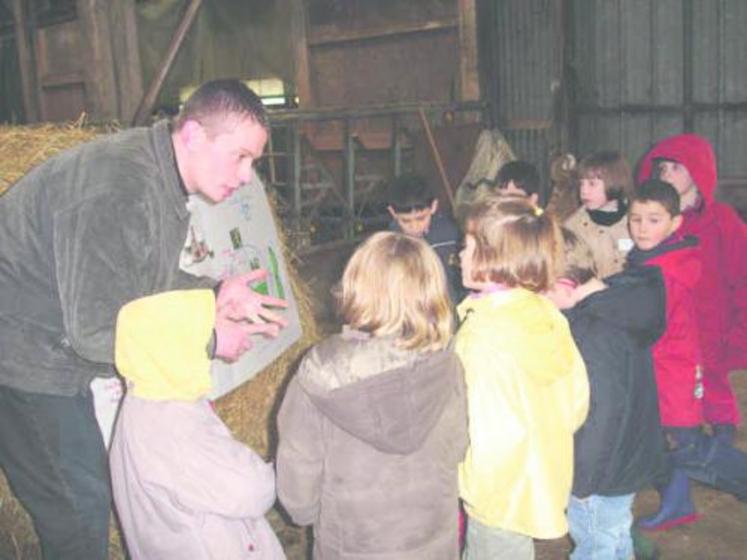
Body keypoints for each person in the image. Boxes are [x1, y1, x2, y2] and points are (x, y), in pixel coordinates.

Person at [0, 79, 288, 559]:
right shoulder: (120, 187)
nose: (246, 176)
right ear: (194, 134)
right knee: (78, 505)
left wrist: (214, 294)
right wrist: (210, 340)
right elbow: (96, 331)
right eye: (240, 157)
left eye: (253, 162)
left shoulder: (156, 175)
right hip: (24, 353)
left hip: (52, 342)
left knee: (85, 488)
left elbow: (141, 280)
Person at [276, 231, 467, 559]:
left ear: (356, 287)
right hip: (432, 539)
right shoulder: (446, 361)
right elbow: (459, 445)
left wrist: (303, 512)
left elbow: (299, 462)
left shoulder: (322, 370)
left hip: (353, 544)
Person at [456, 195, 589, 560]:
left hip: (497, 493)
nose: (460, 256)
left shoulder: (482, 334)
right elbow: (577, 402)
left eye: (468, 247)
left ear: (494, 257)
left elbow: (478, 426)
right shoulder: (546, 313)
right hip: (542, 476)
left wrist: (464, 479)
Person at [110, 289, 286, 559]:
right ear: (173, 351)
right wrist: (284, 467)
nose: (207, 344)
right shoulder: (171, 425)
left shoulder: (144, 396)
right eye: (199, 335)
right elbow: (249, 490)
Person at [627, 180, 747, 531]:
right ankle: (677, 503)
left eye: (653, 220)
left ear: (675, 223)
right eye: (636, 219)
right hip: (658, 372)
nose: (642, 228)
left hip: (673, 376)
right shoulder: (649, 259)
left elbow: (650, 322)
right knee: (664, 444)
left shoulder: (666, 269)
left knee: (687, 447)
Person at [546, 229, 667, 559]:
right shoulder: (618, 305)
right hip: (627, 459)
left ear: (565, 286)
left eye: (543, 295)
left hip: (600, 473)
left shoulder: (594, 333)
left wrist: (583, 482)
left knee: (595, 544)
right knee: (613, 537)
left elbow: (603, 413)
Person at [637, 133, 747, 443]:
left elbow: (743, 275)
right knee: (671, 396)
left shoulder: (723, 221)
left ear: (698, 172)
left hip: (712, 328)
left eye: (676, 167)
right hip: (668, 329)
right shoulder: (652, 222)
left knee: (714, 390)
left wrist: (739, 330)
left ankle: (724, 446)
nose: (666, 174)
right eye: (662, 168)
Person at [387, 173, 465, 305]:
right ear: (393, 213)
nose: (414, 227)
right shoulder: (390, 244)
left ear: (433, 207)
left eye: (421, 218)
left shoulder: (450, 236)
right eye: (405, 221)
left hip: (449, 307)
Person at [564, 151, 635, 278]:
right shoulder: (572, 227)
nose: (583, 191)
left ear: (614, 182)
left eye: (592, 184)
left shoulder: (637, 221)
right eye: (581, 184)